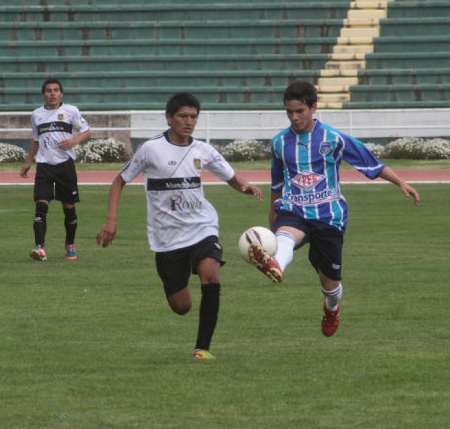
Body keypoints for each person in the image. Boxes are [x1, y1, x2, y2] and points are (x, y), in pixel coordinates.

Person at [96, 92, 263, 360]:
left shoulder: (203, 150)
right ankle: (178, 288)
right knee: (182, 306)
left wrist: (246, 186)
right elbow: (119, 181)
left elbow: (231, 177)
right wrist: (111, 220)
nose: (189, 122)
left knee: (211, 273)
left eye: (193, 117)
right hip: (167, 238)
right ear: (169, 117)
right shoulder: (151, 149)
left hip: (202, 227)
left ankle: (202, 348)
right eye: (183, 116)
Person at [248, 80, 420, 337]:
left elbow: (369, 162)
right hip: (293, 209)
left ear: (313, 107)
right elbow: (278, 182)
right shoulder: (279, 143)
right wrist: (273, 213)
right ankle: (275, 266)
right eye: (289, 112)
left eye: (299, 111)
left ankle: (332, 307)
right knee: (285, 235)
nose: (294, 117)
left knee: (330, 286)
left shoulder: (334, 138)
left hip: (329, 216)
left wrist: (401, 182)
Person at [20, 78, 91, 261]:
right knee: (40, 207)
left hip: (65, 166)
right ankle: (40, 248)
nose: (52, 94)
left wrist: (73, 141)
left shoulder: (70, 111)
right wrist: (29, 161)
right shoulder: (36, 115)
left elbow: (87, 131)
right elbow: (35, 139)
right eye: (49, 91)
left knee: (69, 208)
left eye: (56, 90)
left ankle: (69, 245)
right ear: (44, 94)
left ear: (61, 94)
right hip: (44, 167)